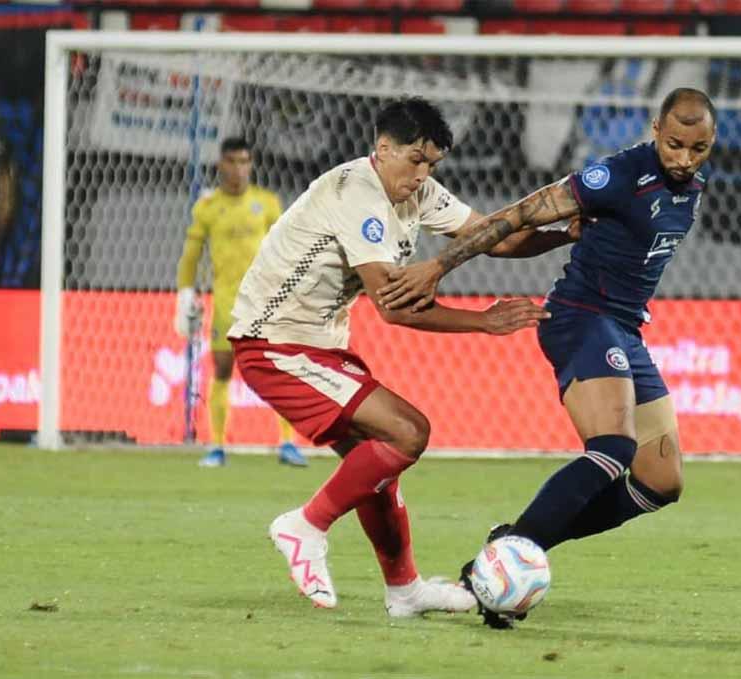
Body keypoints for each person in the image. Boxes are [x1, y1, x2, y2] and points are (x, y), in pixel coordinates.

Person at [378, 88, 717, 627]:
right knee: (611, 449)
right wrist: (437, 268)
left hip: (627, 328)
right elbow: (515, 217)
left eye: (698, 149)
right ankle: (499, 568)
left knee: (660, 478)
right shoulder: (619, 175)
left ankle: (509, 547)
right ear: (655, 129)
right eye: (674, 144)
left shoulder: (693, 184)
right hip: (581, 317)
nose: (683, 158)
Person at [227, 96, 571, 618]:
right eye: (415, 159)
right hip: (274, 343)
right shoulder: (356, 193)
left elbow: (493, 239)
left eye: (432, 163)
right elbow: (393, 306)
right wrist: (483, 320)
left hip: (316, 345)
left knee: (377, 465)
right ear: (382, 148)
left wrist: (562, 233)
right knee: (408, 431)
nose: (423, 173)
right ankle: (306, 525)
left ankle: (405, 591)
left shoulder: (418, 192)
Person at [174, 137, 307, 468]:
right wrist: (185, 292)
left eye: (244, 161)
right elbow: (191, 256)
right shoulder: (206, 208)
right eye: (232, 161)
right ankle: (217, 447)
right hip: (227, 303)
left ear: (251, 164)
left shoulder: (266, 202)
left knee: (280, 368)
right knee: (222, 369)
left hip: (267, 301)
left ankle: (287, 443)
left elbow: (286, 249)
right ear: (221, 165)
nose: (238, 168)